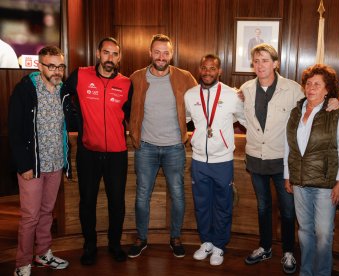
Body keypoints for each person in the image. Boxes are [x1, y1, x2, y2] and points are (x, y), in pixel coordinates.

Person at [240, 43, 339, 274]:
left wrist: (334, 100)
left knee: (287, 209)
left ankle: (287, 251)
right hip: (256, 158)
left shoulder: (293, 88)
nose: (260, 65)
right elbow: (242, 117)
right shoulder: (245, 89)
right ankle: (264, 247)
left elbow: (315, 102)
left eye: (265, 60)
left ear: (275, 63)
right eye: (256, 61)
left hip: (283, 161)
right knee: (263, 207)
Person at [62, 37, 133, 265]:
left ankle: (114, 245)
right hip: (88, 153)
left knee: (116, 203)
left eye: (114, 54)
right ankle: (89, 246)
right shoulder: (81, 75)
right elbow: (61, 94)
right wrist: (74, 120)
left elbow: (132, 114)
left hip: (116, 154)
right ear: (98, 53)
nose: (109, 58)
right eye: (106, 52)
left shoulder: (126, 83)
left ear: (119, 57)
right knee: (88, 202)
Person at [128, 34, 197, 258]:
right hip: (145, 147)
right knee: (142, 195)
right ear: (150, 53)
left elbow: (202, 98)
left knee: (178, 194)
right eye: (157, 52)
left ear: (171, 54)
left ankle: (175, 237)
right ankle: (141, 238)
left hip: (175, 148)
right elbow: (124, 107)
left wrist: (235, 94)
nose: (161, 56)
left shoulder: (184, 77)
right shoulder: (136, 77)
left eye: (166, 52)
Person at [8, 46, 71, 276]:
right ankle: (22, 263)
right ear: (40, 66)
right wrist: (23, 165)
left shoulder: (63, 90)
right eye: (51, 66)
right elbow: (13, 131)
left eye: (60, 66)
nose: (57, 71)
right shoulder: (25, 90)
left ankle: (43, 252)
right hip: (32, 166)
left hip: (55, 162)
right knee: (30, 217)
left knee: (47, 212)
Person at [284, 64, 339, 276]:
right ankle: (306, 271)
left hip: (325, 184)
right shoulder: (295, 112)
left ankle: (322, 273)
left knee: (323, 234)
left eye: (317, 85)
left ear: (327, 89)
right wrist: (288, 175)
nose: (311, 88)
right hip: (299, 182)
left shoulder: (335, 114)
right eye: (308, 84)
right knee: (304, 232)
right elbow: (289, 146)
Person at [185, 54, 246, 266]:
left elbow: (244, 119)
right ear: (199, 69)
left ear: (219, 71)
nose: (208, 72)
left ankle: (219, 245)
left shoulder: (232, 95)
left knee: (222, 204)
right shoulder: (190, 95)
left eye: (213, 68)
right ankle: (207, 242)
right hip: (199, 159)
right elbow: (183, 120)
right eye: (204, 68)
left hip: (223, 160)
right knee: (202, 204)